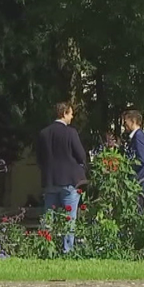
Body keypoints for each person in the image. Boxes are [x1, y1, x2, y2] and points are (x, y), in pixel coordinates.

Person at [35, 102, 89, 253]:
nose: (72, 117)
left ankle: (45, 247)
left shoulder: (44, 133)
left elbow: (39, 158)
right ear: (64, 113)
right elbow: (81, 155)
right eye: (71, 113)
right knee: (69, 217)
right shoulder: (70, 133)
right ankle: (67, 249)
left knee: (48, 217)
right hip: (69, 181)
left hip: (50, 180)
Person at [122, 109, 144, 203]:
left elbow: (142, 159)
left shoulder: (139, 136)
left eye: (125, 122)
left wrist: (128, 168)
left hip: (140, 181)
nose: (124, 125)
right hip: (140, 181)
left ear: (133, 121)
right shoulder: (137, 136)